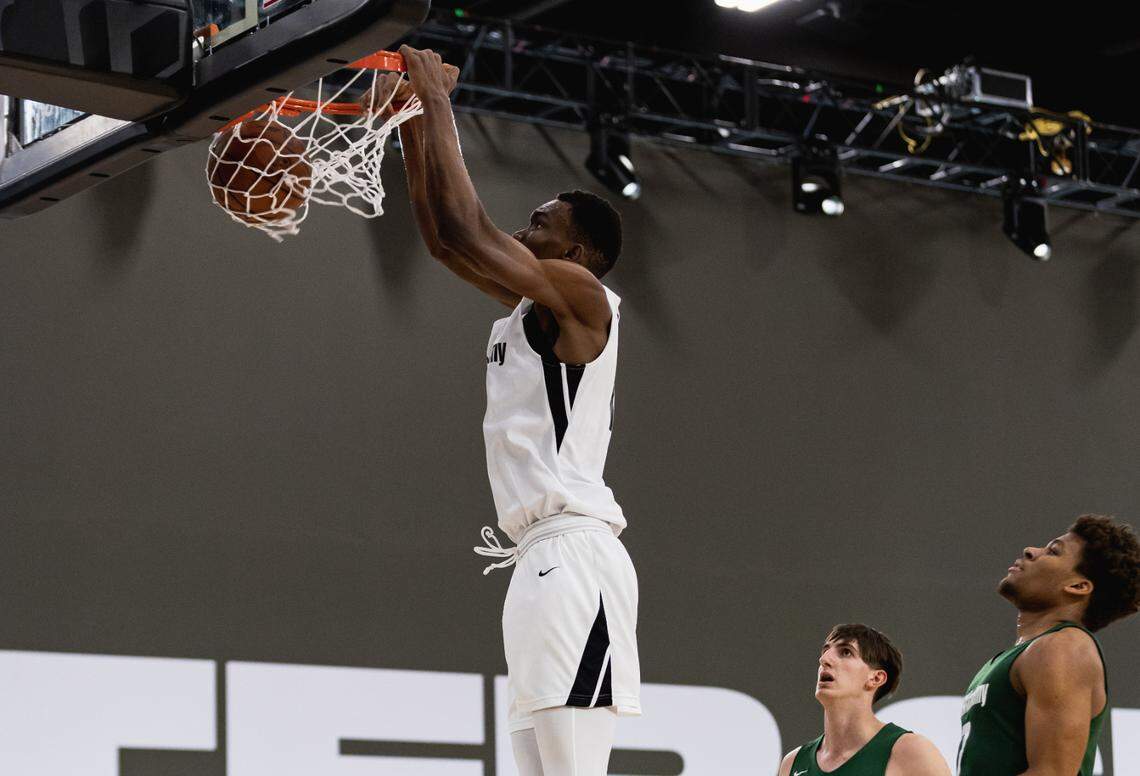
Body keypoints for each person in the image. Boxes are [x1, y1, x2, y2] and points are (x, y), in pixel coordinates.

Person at [385, 46, 641, 776]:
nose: (526, 233)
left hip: (573, 557)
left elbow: (470, 231)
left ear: (581, 253)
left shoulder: (587, 300)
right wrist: (409, 113)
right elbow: (443, 240)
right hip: (537, 560)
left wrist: (434, 99)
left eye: (541, 224)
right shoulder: (536, 309)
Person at [956, 514, 1140, 775]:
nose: (1031, 551)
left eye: (1053, 551)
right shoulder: (1024, 653)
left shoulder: (1064, 647)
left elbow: (1051, 773)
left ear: (1077, 586)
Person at [778, 624, 950, 776]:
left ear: (876, 678)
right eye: (826, 650)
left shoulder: (911, 751)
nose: (824, 659)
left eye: (846, 652)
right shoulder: (792, 763)